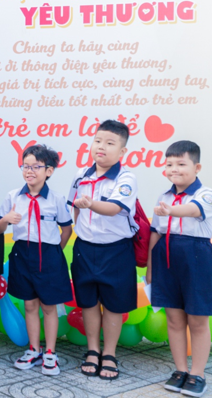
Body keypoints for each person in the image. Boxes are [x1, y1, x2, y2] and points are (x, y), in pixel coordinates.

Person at [68, 120, 138, 380]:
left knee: (113, 305)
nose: (101, 147)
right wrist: (79, 223)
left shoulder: (126, 178)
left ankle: (109, 354)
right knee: (87, 302)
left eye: (110, 143)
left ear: (122, 152)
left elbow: (114, 208)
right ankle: (92, 351)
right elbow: (73, 205)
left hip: (116, 250)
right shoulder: (80, 175)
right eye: (98, 141)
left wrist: (90, 204)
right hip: (85, 248)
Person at [148, 141, 212, 398]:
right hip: (165, 258)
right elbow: (155, 233)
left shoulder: (207, 194)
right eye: (169, 164)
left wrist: (172, 210)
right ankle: (179, 371)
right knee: (174, 318)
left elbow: (193, 210)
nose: (174, 169)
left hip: (197, 259)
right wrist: (150, 268)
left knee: (198, 320)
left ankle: (198, 374)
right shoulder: (163, 197)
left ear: (196, 167)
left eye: (181, 164)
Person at [0, 144, 73, 376]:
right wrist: (6, 218)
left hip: (49, 255)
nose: (29, 171)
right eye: (25, 166)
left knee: (49, 306)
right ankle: (33, 349)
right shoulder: (12, 197)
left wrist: (55, 251)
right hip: (22, 254)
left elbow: (66, 229)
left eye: (36, 167)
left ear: (48, 171)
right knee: (29, 304)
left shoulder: (57, 200)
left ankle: (50, 352)